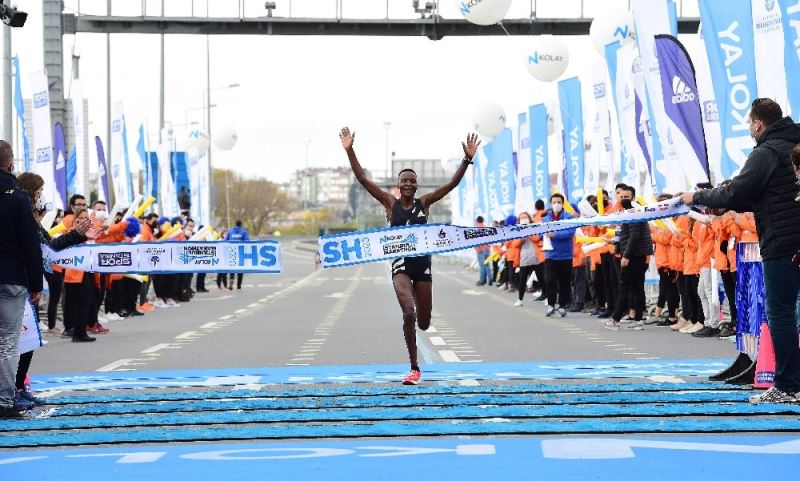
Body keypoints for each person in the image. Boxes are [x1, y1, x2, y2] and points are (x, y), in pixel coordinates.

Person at [681, 98, 800, 404]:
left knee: (781, 313)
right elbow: (757, 196)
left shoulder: (767, 152)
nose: (749, 128)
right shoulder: (793, 145)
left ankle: (788, 385)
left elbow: (739, 191)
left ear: (758, 123)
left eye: (749, 123)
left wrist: (697, 196)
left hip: (782, 241)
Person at [340, 126, 479, 385]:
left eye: (412, 181)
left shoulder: (424, 203)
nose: (408, 184)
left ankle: (419, 314)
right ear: (398, 185)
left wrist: (467, 159)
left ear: (416, 186)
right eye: (404, 180)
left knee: (424, 323)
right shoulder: (389, 204)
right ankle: (414, 368)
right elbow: (362, 179)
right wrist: (350, 150)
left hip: (422, 267)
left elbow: (452, 184)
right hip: (401, 266)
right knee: (408, 312)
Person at [0, 141, 44, 419]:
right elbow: (31, 244)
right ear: (10, 163)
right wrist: (36, 283)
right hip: (10, 278)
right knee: (7, 341)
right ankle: (5, 399)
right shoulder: (16, 196)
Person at [600, 185, 653, 331]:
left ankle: (615, 319)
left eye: (626, 197)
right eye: (621, 197)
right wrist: (616, 244)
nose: (623, 199)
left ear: (633, 198)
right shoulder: (629, 212)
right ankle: (638, 320)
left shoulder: (634, 213)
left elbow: (634, 237)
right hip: (636, 255)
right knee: (637, 288)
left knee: (624, 286)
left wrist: (626, 256)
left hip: (634, 256)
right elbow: (624, 235)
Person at [542, 193, 575, 317]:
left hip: (565, 255)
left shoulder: (569, 217)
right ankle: (551, 305)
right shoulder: (546, 219)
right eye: (554, 202)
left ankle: (562, 306)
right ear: (551, 204)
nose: (556, 204)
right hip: (551, 255)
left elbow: (570, 232)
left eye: (559, 202)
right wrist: (542, 234)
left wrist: (555, 234)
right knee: (550, 280)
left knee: (564, 282)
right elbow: (540, 234)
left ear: (562, 204)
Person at [226, 220, 250, 290]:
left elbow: (226, 240)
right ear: (241, 224)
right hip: (241, 251)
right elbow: (247, 241)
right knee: (240, 268)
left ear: (235, 224)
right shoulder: (243, 232)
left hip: (232, 251)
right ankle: (239, 285)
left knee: (232, 267)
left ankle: (231, 280)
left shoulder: (230, 231)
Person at [474, 216, 492, 286]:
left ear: (476, 221)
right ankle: (490, 279)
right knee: (487, 264)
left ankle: (482, 280)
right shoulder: (486, 228)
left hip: (480, 249)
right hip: (487, 249)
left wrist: (477, 249)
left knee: (482, 266)